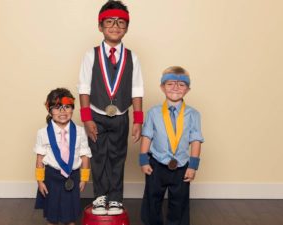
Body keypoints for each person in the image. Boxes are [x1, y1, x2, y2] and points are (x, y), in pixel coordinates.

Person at [77, 0, 144, 216]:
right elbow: (84, 88)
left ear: (126, 28)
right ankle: (100, 197)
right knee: (98, 156)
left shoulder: (132, 57)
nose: (115, 26)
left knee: (117, 157)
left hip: (121, 116)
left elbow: (137, 89)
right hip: (95, 114)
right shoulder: (91, 55)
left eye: (121, 23)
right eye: (109, 22)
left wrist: (138, 120)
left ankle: (115, 198)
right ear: (100, 26)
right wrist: (87, 118)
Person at [139, 66, 204, 225]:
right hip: (157, 164)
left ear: (187, 89)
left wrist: (193, 166)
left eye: (181, 85)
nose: (175, 88)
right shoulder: (153, 112)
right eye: (170, 84)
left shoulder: (193, 114)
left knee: (179, 203)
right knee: (152, 200)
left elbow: (196, 140)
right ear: (162, 87)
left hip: (182, 165)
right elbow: (147, 136)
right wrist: (143, 160)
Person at [34, 88, 92, 225]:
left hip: (73, 176)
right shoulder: (43, 133)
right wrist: (40, 181)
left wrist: (84, 178)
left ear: (72, 109)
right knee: (52, 215)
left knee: (70, 216)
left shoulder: (80, 131)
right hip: (51, 177)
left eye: (67, 107)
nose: (62, 111)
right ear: (49, 110)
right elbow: (39, 158)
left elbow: (85, 156)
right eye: (57, 107)